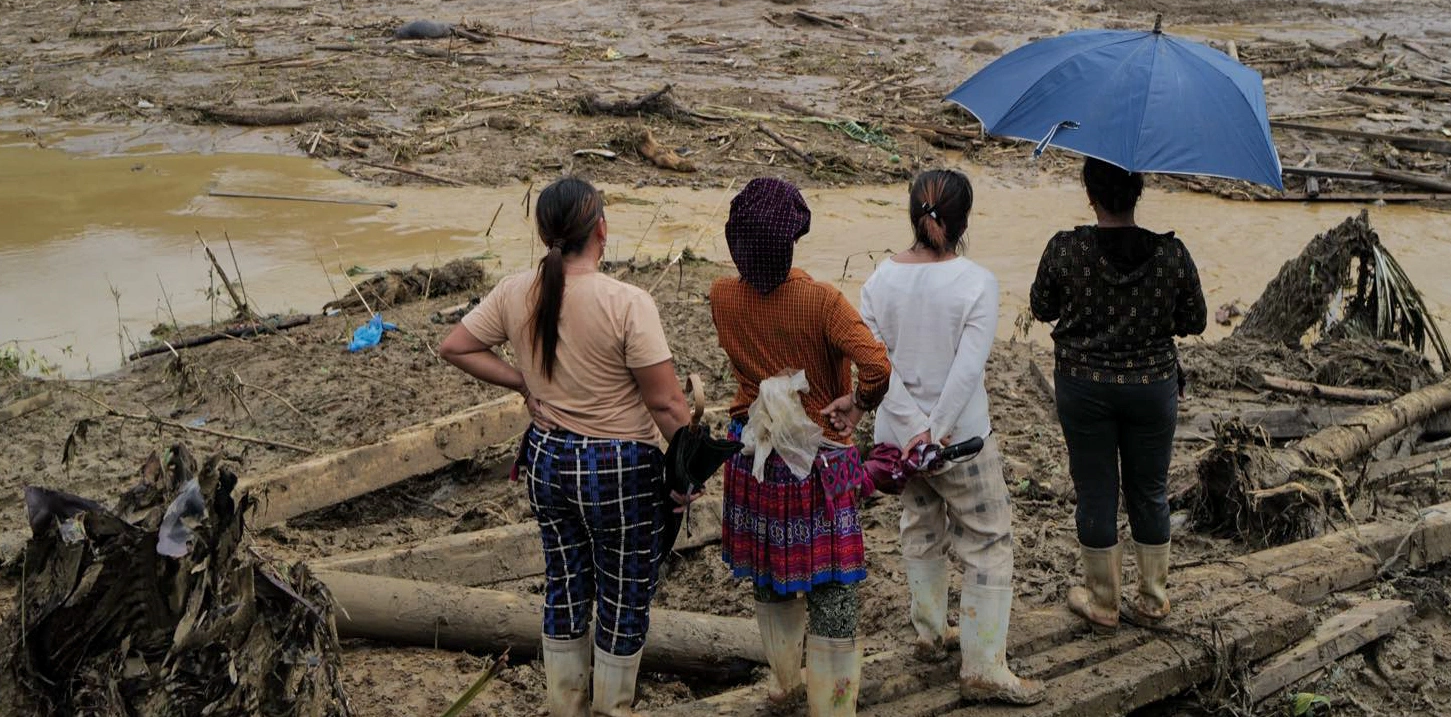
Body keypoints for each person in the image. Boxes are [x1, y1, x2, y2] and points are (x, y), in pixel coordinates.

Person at [440, 177, 694, 717]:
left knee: (565, 588)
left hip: (549, 461)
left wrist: (522, 382)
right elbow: (669, 406)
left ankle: (565, 706)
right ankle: (611, 708)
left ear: (544, 234)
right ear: (601, 228)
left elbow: (456, 345)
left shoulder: (516, 291)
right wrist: (688, 471)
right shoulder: (627, 302)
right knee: (623, 598)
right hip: (621, 468)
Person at [859, 170, 1045, 705]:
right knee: (988, 541)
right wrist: (934, 433)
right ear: (964, 221)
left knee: (920, 525)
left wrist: (913, 431)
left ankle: (929, 632)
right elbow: (966, 373)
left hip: (898, 444)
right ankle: (984, 664)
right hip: (959, 442)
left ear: (912, 215)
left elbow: (876, 369)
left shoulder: (879, 281)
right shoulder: (977, 282)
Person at [710, 178, 891, 717]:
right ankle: (831, 705)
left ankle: (786, 683)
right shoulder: (821, 302)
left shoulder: (723, 295)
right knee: (832, 586)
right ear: (792, 239)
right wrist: (858, 403)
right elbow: (878, 365)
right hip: (818, 460)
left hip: (754, 454)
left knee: (769, 573)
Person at [1029, 159, 1208, 630]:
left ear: (1090, 194)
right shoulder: (1172, 255)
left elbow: (1040, 306)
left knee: (1095, 491)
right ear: (1139, 192)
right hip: (1152, 388)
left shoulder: (1065, 249)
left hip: (1083, 387)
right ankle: (1152, 600)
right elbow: (1196, 321)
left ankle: (1103, 603)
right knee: (1149, 490)